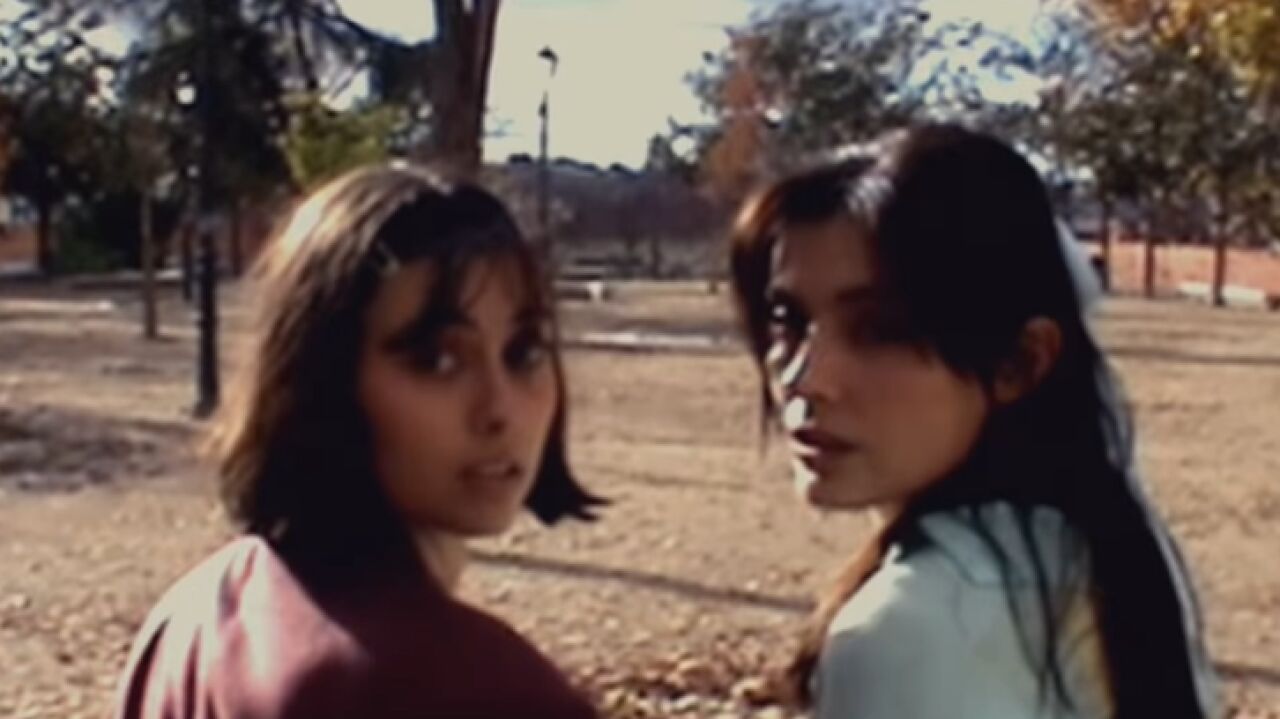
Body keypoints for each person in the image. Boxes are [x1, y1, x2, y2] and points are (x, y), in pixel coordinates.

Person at [727, 124, 1218, 718]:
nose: (806, 377)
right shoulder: (1112, 557)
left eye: (881, 330)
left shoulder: (908, 630)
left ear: (1020, 363)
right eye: (788, 319)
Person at [112, 163, 603, 719]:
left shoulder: (188, 622)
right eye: (438, 361)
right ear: (320, 378)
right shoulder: (473, 688)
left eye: (525, 353)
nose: (499, 410)